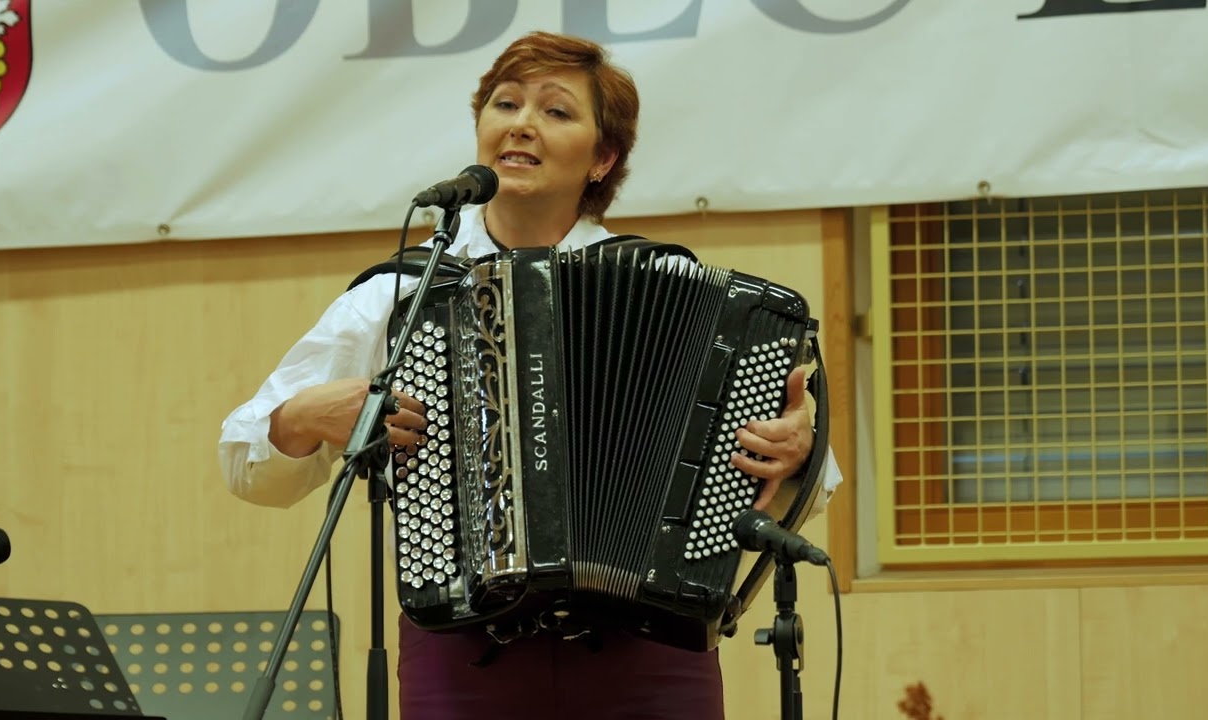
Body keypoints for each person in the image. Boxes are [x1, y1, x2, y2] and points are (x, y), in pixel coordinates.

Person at [219, 30, 842, 720]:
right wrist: (305, 419)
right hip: (464, 657)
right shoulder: (403, 293)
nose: (520, 124)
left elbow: (808, 487)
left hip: (647, 654)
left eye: (556, 111)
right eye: (504, 103)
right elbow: (245, 461)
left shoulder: (681, 290)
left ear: (603, 159)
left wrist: (796, 452)